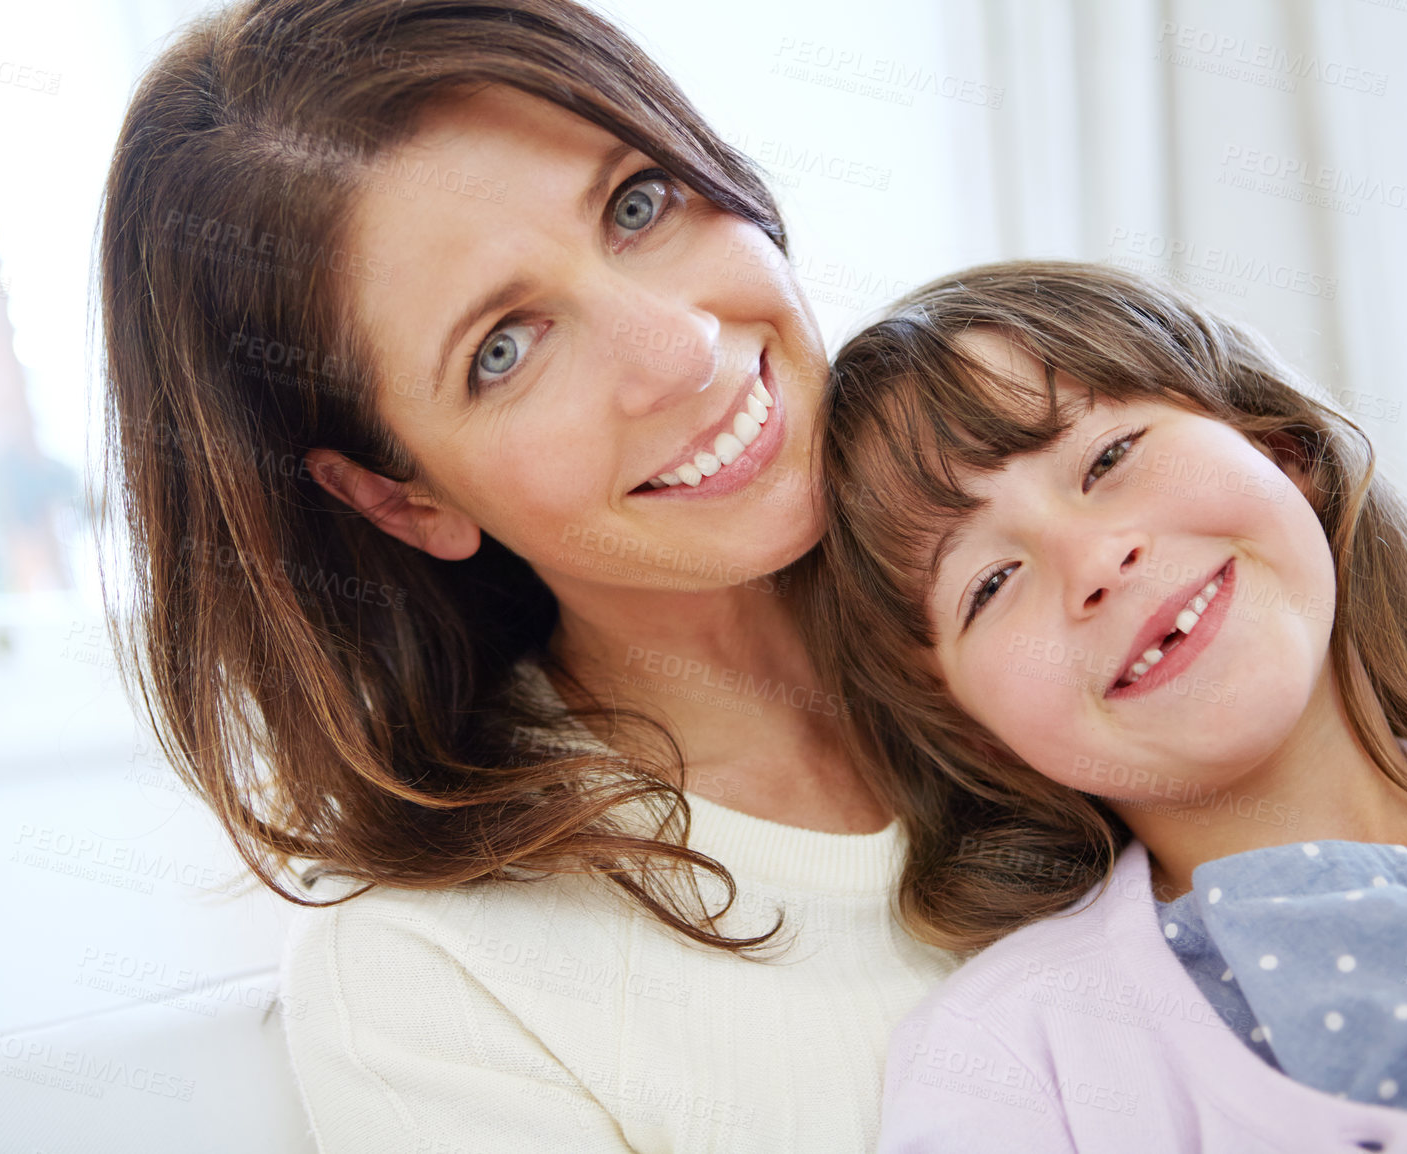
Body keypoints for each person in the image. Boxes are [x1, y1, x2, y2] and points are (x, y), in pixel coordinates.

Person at [95, 1, 976, 1149]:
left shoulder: (1085, 568)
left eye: (637, 202)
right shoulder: (436, 981)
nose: (680, 350)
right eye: (503, 348)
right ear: (398, 494)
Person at [804, 261, 1407, 1152]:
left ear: (1280, 448)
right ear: (971, 730)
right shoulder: (1015, 1060)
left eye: (1110, 457)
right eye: (990, 584)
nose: (1094, 562)